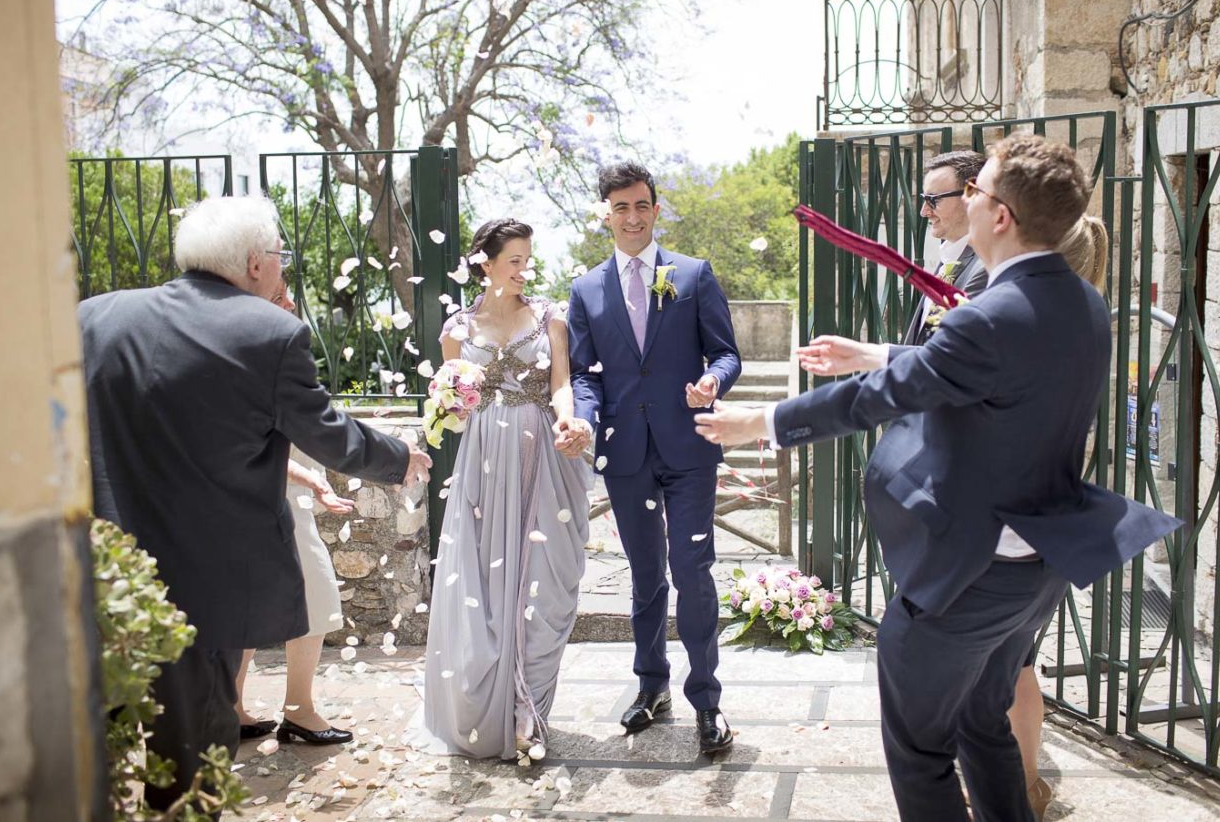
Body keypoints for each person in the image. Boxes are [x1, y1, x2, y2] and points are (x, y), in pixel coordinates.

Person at [693, 135, 1178, 821]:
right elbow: (964, 372)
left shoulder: (991, 315)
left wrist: (762, 423)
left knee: (920, 753)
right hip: (1037, 561)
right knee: (984, 724)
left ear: (1000, 215)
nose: (968, 200)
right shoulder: (1080, 302)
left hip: (969, 574)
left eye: (976, 190)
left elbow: (878, 395)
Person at [79, 196, 431, 813]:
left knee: (86, 758)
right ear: (253, 264)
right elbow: (333, 438)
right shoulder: (269, 333)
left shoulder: (94, 318)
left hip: (100, 581)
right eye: (280, 258)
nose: (282, 269)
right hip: (202, 587)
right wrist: (400, 456)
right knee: (190, 765)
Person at [564, 162, 742, 755]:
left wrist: (713, 384)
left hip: (689, 447)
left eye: (642, 206)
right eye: (621, 208)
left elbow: (725, 354)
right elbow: (586, 378)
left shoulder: (693, 275)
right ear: (607, 215)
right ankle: (651, 686)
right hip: (626, 452)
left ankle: (708, 702)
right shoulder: (586, 290)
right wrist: (582, 422)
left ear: (655, 209)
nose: (633, 218)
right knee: (644, 575)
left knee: (692, 572)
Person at [416, 218, 592, 761]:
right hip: (483, 463)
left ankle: (529, 712)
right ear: (485, 265)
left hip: (542, 452)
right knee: (484, 587)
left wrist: (569, 421)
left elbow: (561, 383)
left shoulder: (549, 317)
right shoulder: (456, 330)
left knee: (544, 582)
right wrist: (447, 402)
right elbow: (449, 404)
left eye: (527, 258)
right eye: (513, 260)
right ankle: (484, 711)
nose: (524, 269)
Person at [1007, 210, 1112, 818]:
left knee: (999, 665)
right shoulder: (1087, 323)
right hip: (1055, 514)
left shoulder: (1033, 331)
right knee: (1022, 662)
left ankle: (1010, 786)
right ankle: (1024, 781)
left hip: (1013, 522)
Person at [234, 456, 357, 746]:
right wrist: (311, 479)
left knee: (248, 603)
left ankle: (232, 710)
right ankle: (299, 710)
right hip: (278, 495)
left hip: (270, 493)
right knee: (317, 598)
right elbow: (254, 440)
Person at [903, 150, 989, 345]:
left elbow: (951, 352)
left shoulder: (985, 268)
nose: (924, 212)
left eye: (934, 200)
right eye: (924, 199)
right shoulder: (950, 256)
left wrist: (876, 356)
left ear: (972, 196)